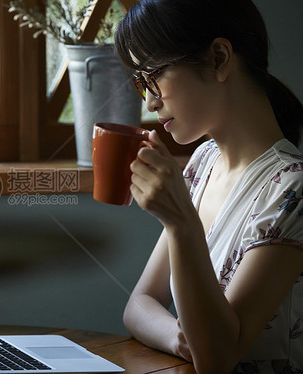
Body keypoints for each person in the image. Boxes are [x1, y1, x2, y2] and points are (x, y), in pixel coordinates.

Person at [114, 0, 303, 372]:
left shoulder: (292, 190)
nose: (150, 102)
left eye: (152, 77)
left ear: (218, 58)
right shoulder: (204, 162)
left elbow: (217, 358)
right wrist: (177, 337)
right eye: (141, 84)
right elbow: (139, 304)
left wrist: (181, 222)